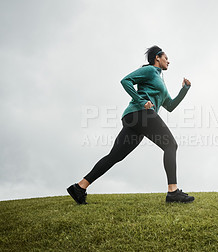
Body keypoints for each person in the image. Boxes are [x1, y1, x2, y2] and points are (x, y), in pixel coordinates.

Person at [67, 45, 195, 204]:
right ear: (157, 57)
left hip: (134, 118)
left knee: (115, 156)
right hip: (141, 114)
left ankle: (80, 187)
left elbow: (170, 106)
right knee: (171, 145)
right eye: (166, 58)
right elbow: (126, 80)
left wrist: (185, 89)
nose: (169, 61)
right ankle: (173, 192)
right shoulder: (149, 71)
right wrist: (141, 101)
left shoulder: (160, 80)